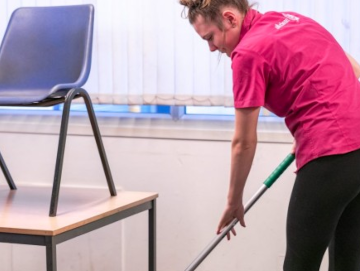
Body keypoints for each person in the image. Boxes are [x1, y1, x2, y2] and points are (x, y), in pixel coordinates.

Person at [179, 0, 360, 270]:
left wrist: (233, 201)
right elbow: (348, 65)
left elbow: (243, 142)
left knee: (299, 264)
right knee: (348, 260)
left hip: (332, 153)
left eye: (210, 37)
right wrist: (318, 129)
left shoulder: (248, 53)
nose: (211, 47)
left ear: (230, 19)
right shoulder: (288, 19)